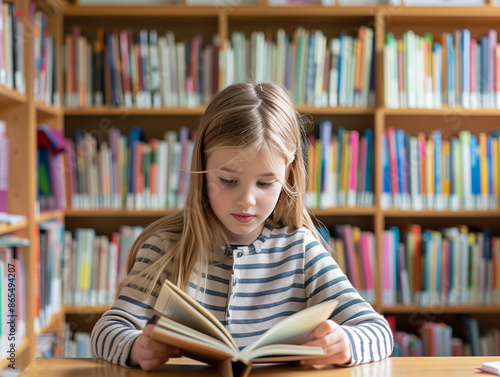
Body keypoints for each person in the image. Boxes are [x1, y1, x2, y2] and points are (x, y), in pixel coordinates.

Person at [91, 82, 393, 371]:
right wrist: (134, 346)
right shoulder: (165, 247)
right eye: (228, 180)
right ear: (203, 171)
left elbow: (379, 331)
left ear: (288, 177)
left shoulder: (301, 251)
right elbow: (107, 330)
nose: (247, 200)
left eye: (265, 182)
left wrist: (347, 343)